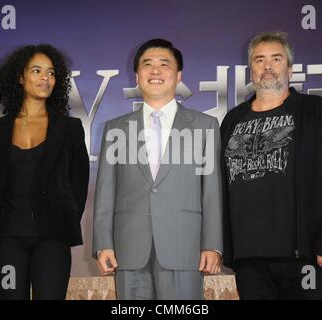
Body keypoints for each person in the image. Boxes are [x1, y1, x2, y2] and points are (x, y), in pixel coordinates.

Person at [221, 31, 322, 299]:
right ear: (251, 71)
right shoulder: (232, 120)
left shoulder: (317, 111)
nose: (268, 67)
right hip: (250, 260)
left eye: (276, 59)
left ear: (290, 68)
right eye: (259, 60)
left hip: (308, 257)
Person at [93, 39, 223, 300]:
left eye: (164, 65)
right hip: (129, 248)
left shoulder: (205, 126)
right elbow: (106, 191)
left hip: (184, 246)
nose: (155, 71)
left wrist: (212, 245)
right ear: (137, 76)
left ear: (178, 75)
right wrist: (102, 244)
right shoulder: (115, 128)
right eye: (147, 65)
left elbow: (211, 191)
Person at [0, 44, 89, 300]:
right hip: (6, 240)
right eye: (37, 71)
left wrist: (65, 218)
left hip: (53, 239)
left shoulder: (70, 128)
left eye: (51, 73)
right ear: (20, 77)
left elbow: (79, 184)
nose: (45, 78)